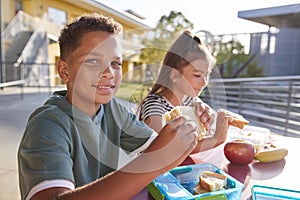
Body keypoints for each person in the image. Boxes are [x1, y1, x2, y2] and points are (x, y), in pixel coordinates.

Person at [17, 14, 199, 200]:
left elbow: (159, 146)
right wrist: (152, 161)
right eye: (93, 61)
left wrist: (191, 126)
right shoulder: (47, 125)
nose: (109, 73)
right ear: (64, 71)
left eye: (116, 63)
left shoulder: (112, 109)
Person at [139, 30, 244, 153]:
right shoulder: (154, 106)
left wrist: (209, 121)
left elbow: (205, 129)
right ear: (175, 75)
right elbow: (165, 149)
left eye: (207, 75)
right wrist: (216, 139)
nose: (204, 83)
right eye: (197, 75)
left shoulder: (189, 100)